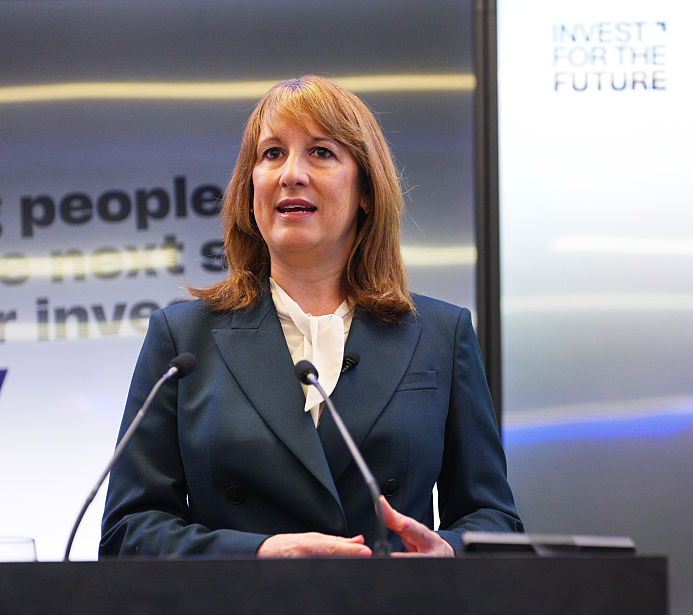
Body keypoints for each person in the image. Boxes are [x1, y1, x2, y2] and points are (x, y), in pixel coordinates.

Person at [100, 75, 522, 558]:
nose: (290, 174)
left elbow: (496, 521)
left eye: (320, 152)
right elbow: (127, 533)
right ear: (250, 187)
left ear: (366, 189)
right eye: (272, 153)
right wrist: (258, 555)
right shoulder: (183, 338)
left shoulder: (441, 335)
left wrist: (447, 551)